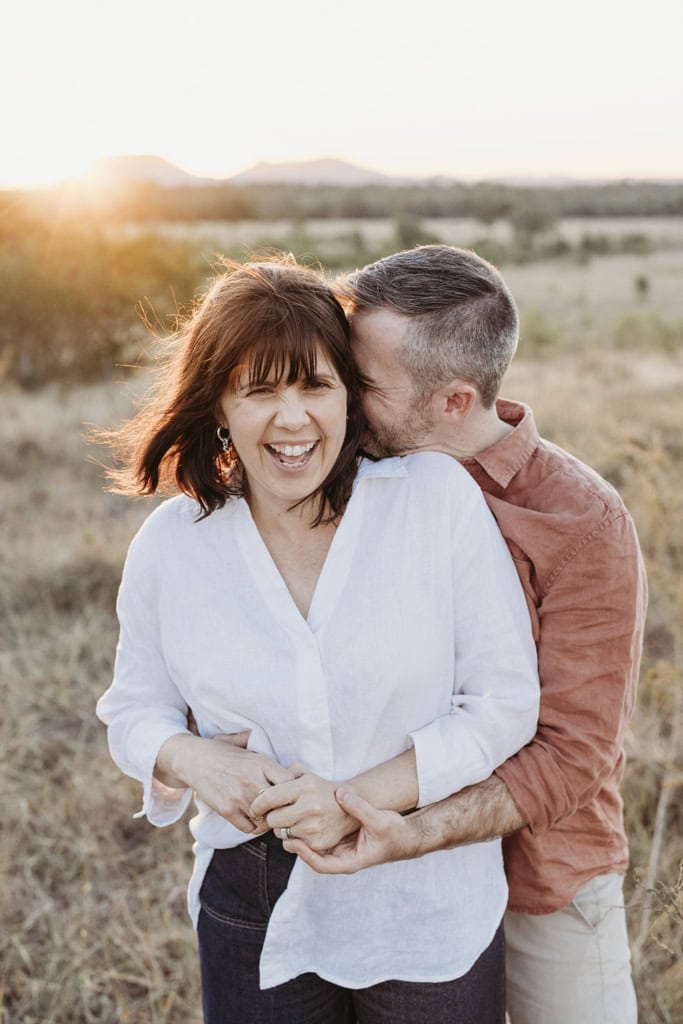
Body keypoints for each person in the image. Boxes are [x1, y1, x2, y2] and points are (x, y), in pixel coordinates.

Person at [95, 255, 539, 1024]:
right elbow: (132, 712)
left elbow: (503, 704)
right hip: (252, 905)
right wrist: (195, 760)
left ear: (349, 396)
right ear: (218, 402)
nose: (292, 419)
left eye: (314, 386)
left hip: (426, 901)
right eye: (259, 390)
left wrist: (353, 801)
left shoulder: (433, 502)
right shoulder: (173, 544)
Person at [283, 245, 647, 1024]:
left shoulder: (581, 524)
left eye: (363, 384)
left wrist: (413, 831)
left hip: (537, 882)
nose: (341, 402)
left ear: (453, 400)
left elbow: (572, 754)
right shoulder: (343, 479)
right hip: (379, 878)